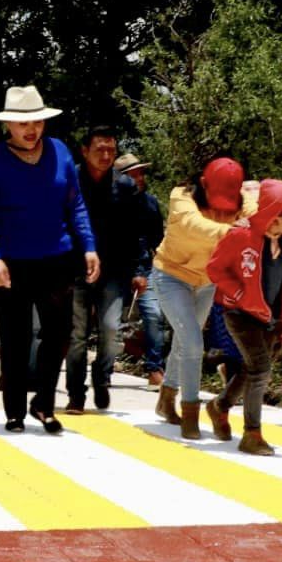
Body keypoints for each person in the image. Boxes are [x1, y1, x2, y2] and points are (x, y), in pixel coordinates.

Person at [0, 86, 98, 434]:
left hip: (56, 258)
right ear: (8, 126)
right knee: (15, 338)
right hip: (11, 261)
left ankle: (43, 402)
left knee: (60, 333)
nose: (31, 129)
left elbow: (75, 204)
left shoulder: (59, 152)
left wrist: (88, 245)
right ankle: (14, 410)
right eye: (22, 123)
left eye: (37, 122)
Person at [206, 183, 282, 454]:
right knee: (260, 368)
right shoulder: (240, 235)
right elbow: (215, 269)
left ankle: (219, 407)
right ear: (276, 214)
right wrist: (239, 294)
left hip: (271, 314)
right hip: (238, 312)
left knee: (251, 368)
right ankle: (252, 435)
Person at [150, 158, 253, 439]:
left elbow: (262, 215)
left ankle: (166, 398)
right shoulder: (180, 198)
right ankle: (190, 413)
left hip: (207, 281)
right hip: (171, 276)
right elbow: (197, 226)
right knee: (194, 343)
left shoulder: (244, 202)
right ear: (203, 184)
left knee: (186, 341)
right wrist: (239, 231)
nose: (222, 208)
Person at [65, 128, 143, 413]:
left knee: (111, 330)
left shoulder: (125, 186)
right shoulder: (68, 180)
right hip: (74, 269)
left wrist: (139, 269)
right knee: (76, 336)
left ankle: (102, 376)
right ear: (85, 150)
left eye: (111, 150)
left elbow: (137, 232)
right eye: (100, 149)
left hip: (113, 272)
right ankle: (75, 392)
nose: (106, 156)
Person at [114, 153, 168, 387]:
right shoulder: (108, 203)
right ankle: (104, 366)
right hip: (113, 269)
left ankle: (154, 367)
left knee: (154, 315)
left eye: (141, 173)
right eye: (132, 174)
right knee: (108, 321)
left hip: (145, 268)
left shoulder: (150, 203)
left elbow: (158, 238)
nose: (139, 178)